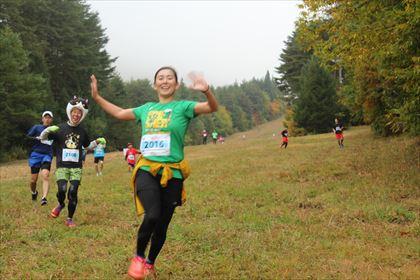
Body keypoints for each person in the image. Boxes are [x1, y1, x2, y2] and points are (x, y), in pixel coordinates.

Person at [90, 66, 218, 280]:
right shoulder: (146, 109)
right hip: (147, 168)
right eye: (161, 78)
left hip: (173, 173)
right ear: (155, 84)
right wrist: (97, 97)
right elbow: (120, 113)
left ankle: (150, 262)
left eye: (170, 78)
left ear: (176, 85)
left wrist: (206, 90)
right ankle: (139, 257)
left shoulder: (184, 107)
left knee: (162, 224)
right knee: (152, 215)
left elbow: (211, 107)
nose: (165, 81)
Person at [38, 96, 105, 227]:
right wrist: (47, 130)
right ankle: (61, 204)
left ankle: (69, 218)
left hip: (76, 168)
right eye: (74, 112)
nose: (76, 115)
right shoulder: (60, 128)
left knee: (73, 192)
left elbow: (86, 146)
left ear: (82, 115)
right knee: (62, 190)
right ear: (70, 112)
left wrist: (97, 142)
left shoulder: (83, 131)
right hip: (62, 166)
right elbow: (42, 138)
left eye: (79, 113)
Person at [26, 111, 54, 205]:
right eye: (45, 117)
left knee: (45, 175)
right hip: (36, 155)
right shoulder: (36, 127)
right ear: (42, 119)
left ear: (51, 120)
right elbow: (27, 138)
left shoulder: (53, 130)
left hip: (47, 155)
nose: (47, 119)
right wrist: (37, 138)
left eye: (49, 117)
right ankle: (34, 192)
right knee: (33, 180)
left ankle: (44, 198)